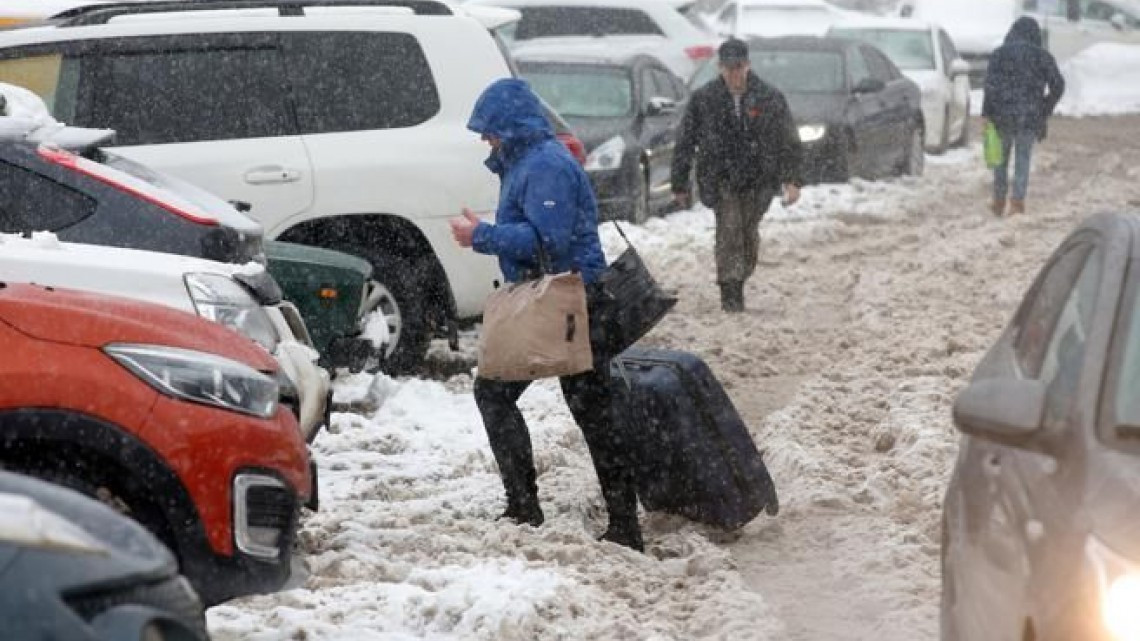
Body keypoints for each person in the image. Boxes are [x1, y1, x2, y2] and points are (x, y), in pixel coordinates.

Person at [449, 78, 645, 552]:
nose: (484, 139)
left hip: (574, 303)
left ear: (511, 126)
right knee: (577, 408)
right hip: (558, 300)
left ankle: (601, 520)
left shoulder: (546, 166)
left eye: (489, 128)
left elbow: (546, 241)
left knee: (581, 410)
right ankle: (538, 508)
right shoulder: (525, 162)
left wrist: (482, 236)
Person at [670, 37, 803, 313]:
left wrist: (792, 179)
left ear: (747, 66)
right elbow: (685, 141)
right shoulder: (705, 99)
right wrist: (679, 182)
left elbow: (788, 140)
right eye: (728, 68)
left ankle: (740, 274)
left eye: (738, 67)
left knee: (747, 232)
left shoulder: (769, 97)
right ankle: (730, 291)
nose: (733, 73)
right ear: (720, 68)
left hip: (759, 178)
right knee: (729, 229)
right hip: (721, 178)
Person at [982, 16, 1065, 216]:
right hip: (1029, 116)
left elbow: (990, 87)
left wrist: (987, 114)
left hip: (1002, 116)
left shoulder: (999, 54)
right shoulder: (1042, 56)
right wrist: (1044, 107)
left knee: (1000, 160)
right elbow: (1058, 85)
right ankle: (1017, 202)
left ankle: (999, 200)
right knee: (1023, 159)